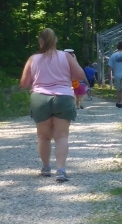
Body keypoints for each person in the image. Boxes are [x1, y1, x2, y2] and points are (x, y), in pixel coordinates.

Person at [19, 29, 86, 182]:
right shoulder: (66, 56)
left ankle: (45, 168)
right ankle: (61, 171)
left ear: (40, 42)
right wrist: (73, 64)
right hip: (63, 97)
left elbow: (24, 84)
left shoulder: (33, 59)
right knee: (61, 136)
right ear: (55, 41)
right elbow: (80, 76)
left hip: (40, 98)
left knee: (43, 136)